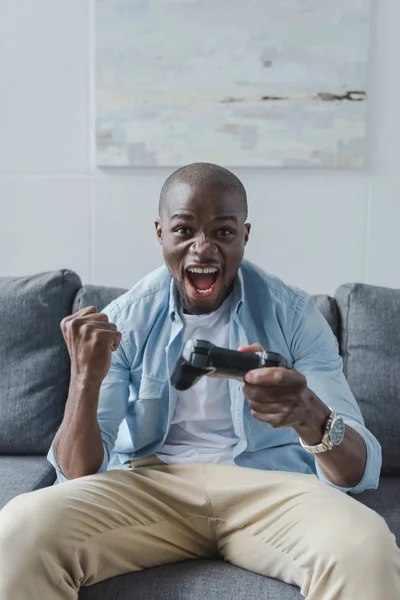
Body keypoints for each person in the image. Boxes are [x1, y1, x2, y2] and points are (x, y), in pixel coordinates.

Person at [0, 163, 399, 600]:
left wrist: (311, 415)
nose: (203, 249)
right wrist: (83, 380)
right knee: (20, 528)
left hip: (273, 490)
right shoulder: (126, 319)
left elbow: (360, 471)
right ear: (160, 234)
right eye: (184, 230)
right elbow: (77, 473)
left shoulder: (294, 314)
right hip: (152, 487)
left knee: (366, 546)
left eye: (223, 233)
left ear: (245, 236)